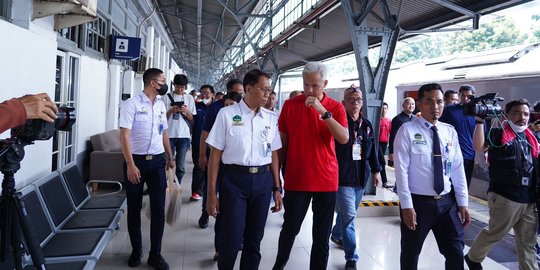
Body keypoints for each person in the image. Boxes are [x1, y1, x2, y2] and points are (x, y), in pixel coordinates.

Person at [272, 61, 349, 270]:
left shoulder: (336, 107)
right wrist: (276, 178)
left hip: (326, 180)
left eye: (315, 85)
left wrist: (323, 112)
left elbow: (343, 138)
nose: (309, 90)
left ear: (324, 83)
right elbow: (283, 144)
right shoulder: (291, 105)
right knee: (290, 229)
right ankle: (279, 265)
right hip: (297, 178)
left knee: (321, 236)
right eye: (306, 85)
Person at [205, 69, 283, 270]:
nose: (268, 94)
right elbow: (215, 156)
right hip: (234, 181)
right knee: (231, 240)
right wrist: (211, 194)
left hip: (263, 182)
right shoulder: (227, 114)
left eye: (269, 90)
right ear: (249, 89)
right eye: (263, 89)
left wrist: (277, 187)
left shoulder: (270, 118)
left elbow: (273, 154)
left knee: (254, 241)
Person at [394, 83, 470, 270]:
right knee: (411, 253)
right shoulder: (407, 130)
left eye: (439, 101)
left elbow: (458, 168)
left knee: (455, 252)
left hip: (447, 203)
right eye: (429, 101)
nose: (435, 106)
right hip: (419, 204)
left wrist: (463, 202)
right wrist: (406, 206)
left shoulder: (449, 131)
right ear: (419, 104)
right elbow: (401, 171)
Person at [465, 99, 539, 270]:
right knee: (496, 233)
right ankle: (473, 257)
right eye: (517, 113)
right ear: (508, 115)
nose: (522, 117)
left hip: (529, 197)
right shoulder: (498, 134)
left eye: (526, 114)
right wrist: (479, 121)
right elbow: (479, 146)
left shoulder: (530, 137)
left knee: (528, 242)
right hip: (505, 195)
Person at [119, 68, 174, 270]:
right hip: (136, 163)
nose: (165, 84)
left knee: (159, 210)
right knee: (134, 208)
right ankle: (136, 251)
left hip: (158, 162)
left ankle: (155, 254)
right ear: (153, 83)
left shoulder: (160, 105)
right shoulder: (131, 105)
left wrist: (170, 156)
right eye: (162, 81)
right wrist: (130, 164)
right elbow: (124, 136)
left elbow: (164, 133)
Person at [329, 86, 381, 270]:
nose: (355, 103)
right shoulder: (337, 123)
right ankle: (352, 257)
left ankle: (336, 234)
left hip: (361, 177)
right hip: (342, 178)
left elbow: (373, 150)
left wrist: (376, 171)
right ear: (343, 103)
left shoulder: (366, 125)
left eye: (358, 99)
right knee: (350, 217)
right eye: (351, 100)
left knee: (347, 213)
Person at [198, 78, 244, 259]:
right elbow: (205, 133)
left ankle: (233, 240)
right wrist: (202, 155)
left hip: (235, 168)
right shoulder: (217, 109)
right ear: (229, 91)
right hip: (217, 162)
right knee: (212, 194)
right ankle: (205, 214)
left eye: (242, 93)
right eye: (237, 92)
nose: (240, 95)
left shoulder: (246, 110)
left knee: (229, 207)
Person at [165, 74, 197, 198]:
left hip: (183, 136)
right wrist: (171, 111)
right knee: (168, 162)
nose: (180, 90)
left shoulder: (189, 98)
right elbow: (162, 118)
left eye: (182, 87)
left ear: (185, 87)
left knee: (181, 166)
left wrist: (186, 111)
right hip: (169, 135)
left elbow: (191, 118)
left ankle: (176, 187)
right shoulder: (166, 98)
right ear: (174, 85)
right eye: (178, 87)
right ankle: (167, 185)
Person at [439, 84, 477, 187]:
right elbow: (439, 128)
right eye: (462, 95)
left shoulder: (477, 113)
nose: (465, 98)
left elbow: (482, 134)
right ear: (459, 95)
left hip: (469, 155)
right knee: (449, 184)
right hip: (450, 155)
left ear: (473, 96)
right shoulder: (450, 110)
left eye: (468, 96)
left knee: (464, 185)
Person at [191, 84, 215, 219]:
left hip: (213, 145)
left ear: (212, 94)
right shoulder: (197, 107)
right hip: (197, 142)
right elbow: (191, 121)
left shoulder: (217, 108)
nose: (204, 95)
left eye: (207, 93)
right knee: (199, 166)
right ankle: (196, 191)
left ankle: (208, 192)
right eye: (202, 93)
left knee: (211, 169)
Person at [388, 97, 415, 167]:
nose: (411, 106)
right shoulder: (397, 119)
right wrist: (391, 152)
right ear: (403, 106)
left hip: (414, 150)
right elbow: (392, 136)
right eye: (409, 104)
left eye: (413, 104)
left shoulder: (416, 119)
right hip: (402, 150)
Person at [379, 102, 392, 188]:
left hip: (384, 144)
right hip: (377, 144)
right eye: (382, 108)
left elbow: (391, 133)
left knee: (380, 161)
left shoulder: (389, 121)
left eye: (385, 108)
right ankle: (384, 181)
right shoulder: (378, 121)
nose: (384, 110)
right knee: (382, 161)